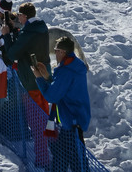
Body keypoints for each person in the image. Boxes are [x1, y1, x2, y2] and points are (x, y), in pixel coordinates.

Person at [0, 2, 52, 166]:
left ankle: (42, 160)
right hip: (43, 77)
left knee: (37, 123)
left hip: (31, 81)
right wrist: (16, 32)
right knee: (46, 118)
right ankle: (56, 153)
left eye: (20, 16)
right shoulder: (40, 27)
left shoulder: (28, 32)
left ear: (24, 16)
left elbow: (12, 54)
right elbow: (25, 45)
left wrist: (6, 35)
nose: (18, 18)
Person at [32, 36, 91, 172]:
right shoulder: (75, 65)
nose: (55, 53)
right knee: (68, 156)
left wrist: (39, 78)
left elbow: (52, 96)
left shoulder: (66, 71)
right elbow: (62, 88)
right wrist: (47, 76)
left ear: (63, 52)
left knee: (74, 159)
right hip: (75, 118)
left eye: (56, 50)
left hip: (70, 122)